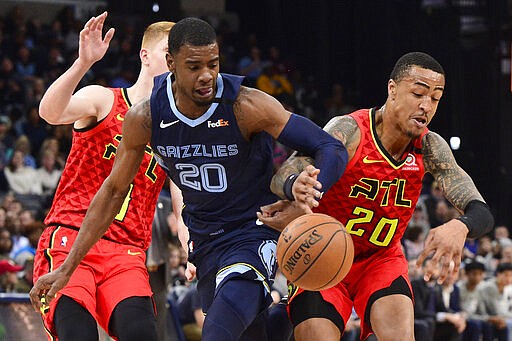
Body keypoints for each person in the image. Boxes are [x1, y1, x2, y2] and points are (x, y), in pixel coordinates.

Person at [30, 17, 347, 341]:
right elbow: (110, 188)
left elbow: (329, 145)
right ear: (170, 62)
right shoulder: (142, 117)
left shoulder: (245, 105)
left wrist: (306, 194)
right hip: (202, 238)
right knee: (252, 332)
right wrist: (68, 266)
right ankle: (282, 322)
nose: (207, 75)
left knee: (215, 332)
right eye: (194, 66)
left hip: (250, 229)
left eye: (213, 63)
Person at [258, 52, 494, 340]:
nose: (426, 106)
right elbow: (284, 174)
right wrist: (296, 185)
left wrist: (461, 225)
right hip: (323, 253)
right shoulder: (350, 130)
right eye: (418, 93)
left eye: (435, 98)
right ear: (392, 89)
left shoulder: (430, 146)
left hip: (381, 259)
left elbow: (480, 209)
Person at [29, 12, 172, 340]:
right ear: (145, 55)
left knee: (143, 333)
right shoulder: (104, 99)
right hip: (72, 235)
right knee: (77, 333)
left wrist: (188, 244)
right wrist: (82, 63)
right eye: (168, 52)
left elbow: (180, 197)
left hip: (127, 250)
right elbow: (49, 113)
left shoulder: (173, 130)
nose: (174, 61)